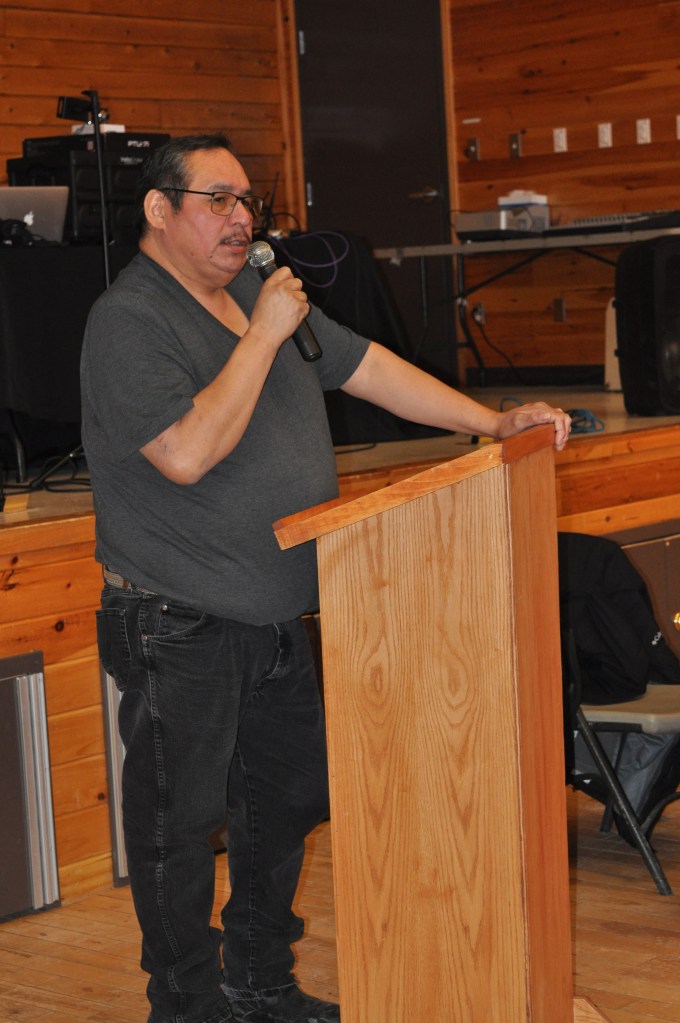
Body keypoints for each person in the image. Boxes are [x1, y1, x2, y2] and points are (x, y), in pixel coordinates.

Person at [80, 133, 571, 1023]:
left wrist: (493, 424)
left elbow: (367, 366)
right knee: (177, 827)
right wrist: (264, 336)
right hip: (177, 618)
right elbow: (185, 452)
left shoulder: (256, 294)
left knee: (285, 801)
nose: (242, 219)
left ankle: (259, 982)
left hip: (277, 612)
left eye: (248, 202)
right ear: (159, 209)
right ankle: (186, 1005)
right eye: (219, 200)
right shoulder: (131, 320)